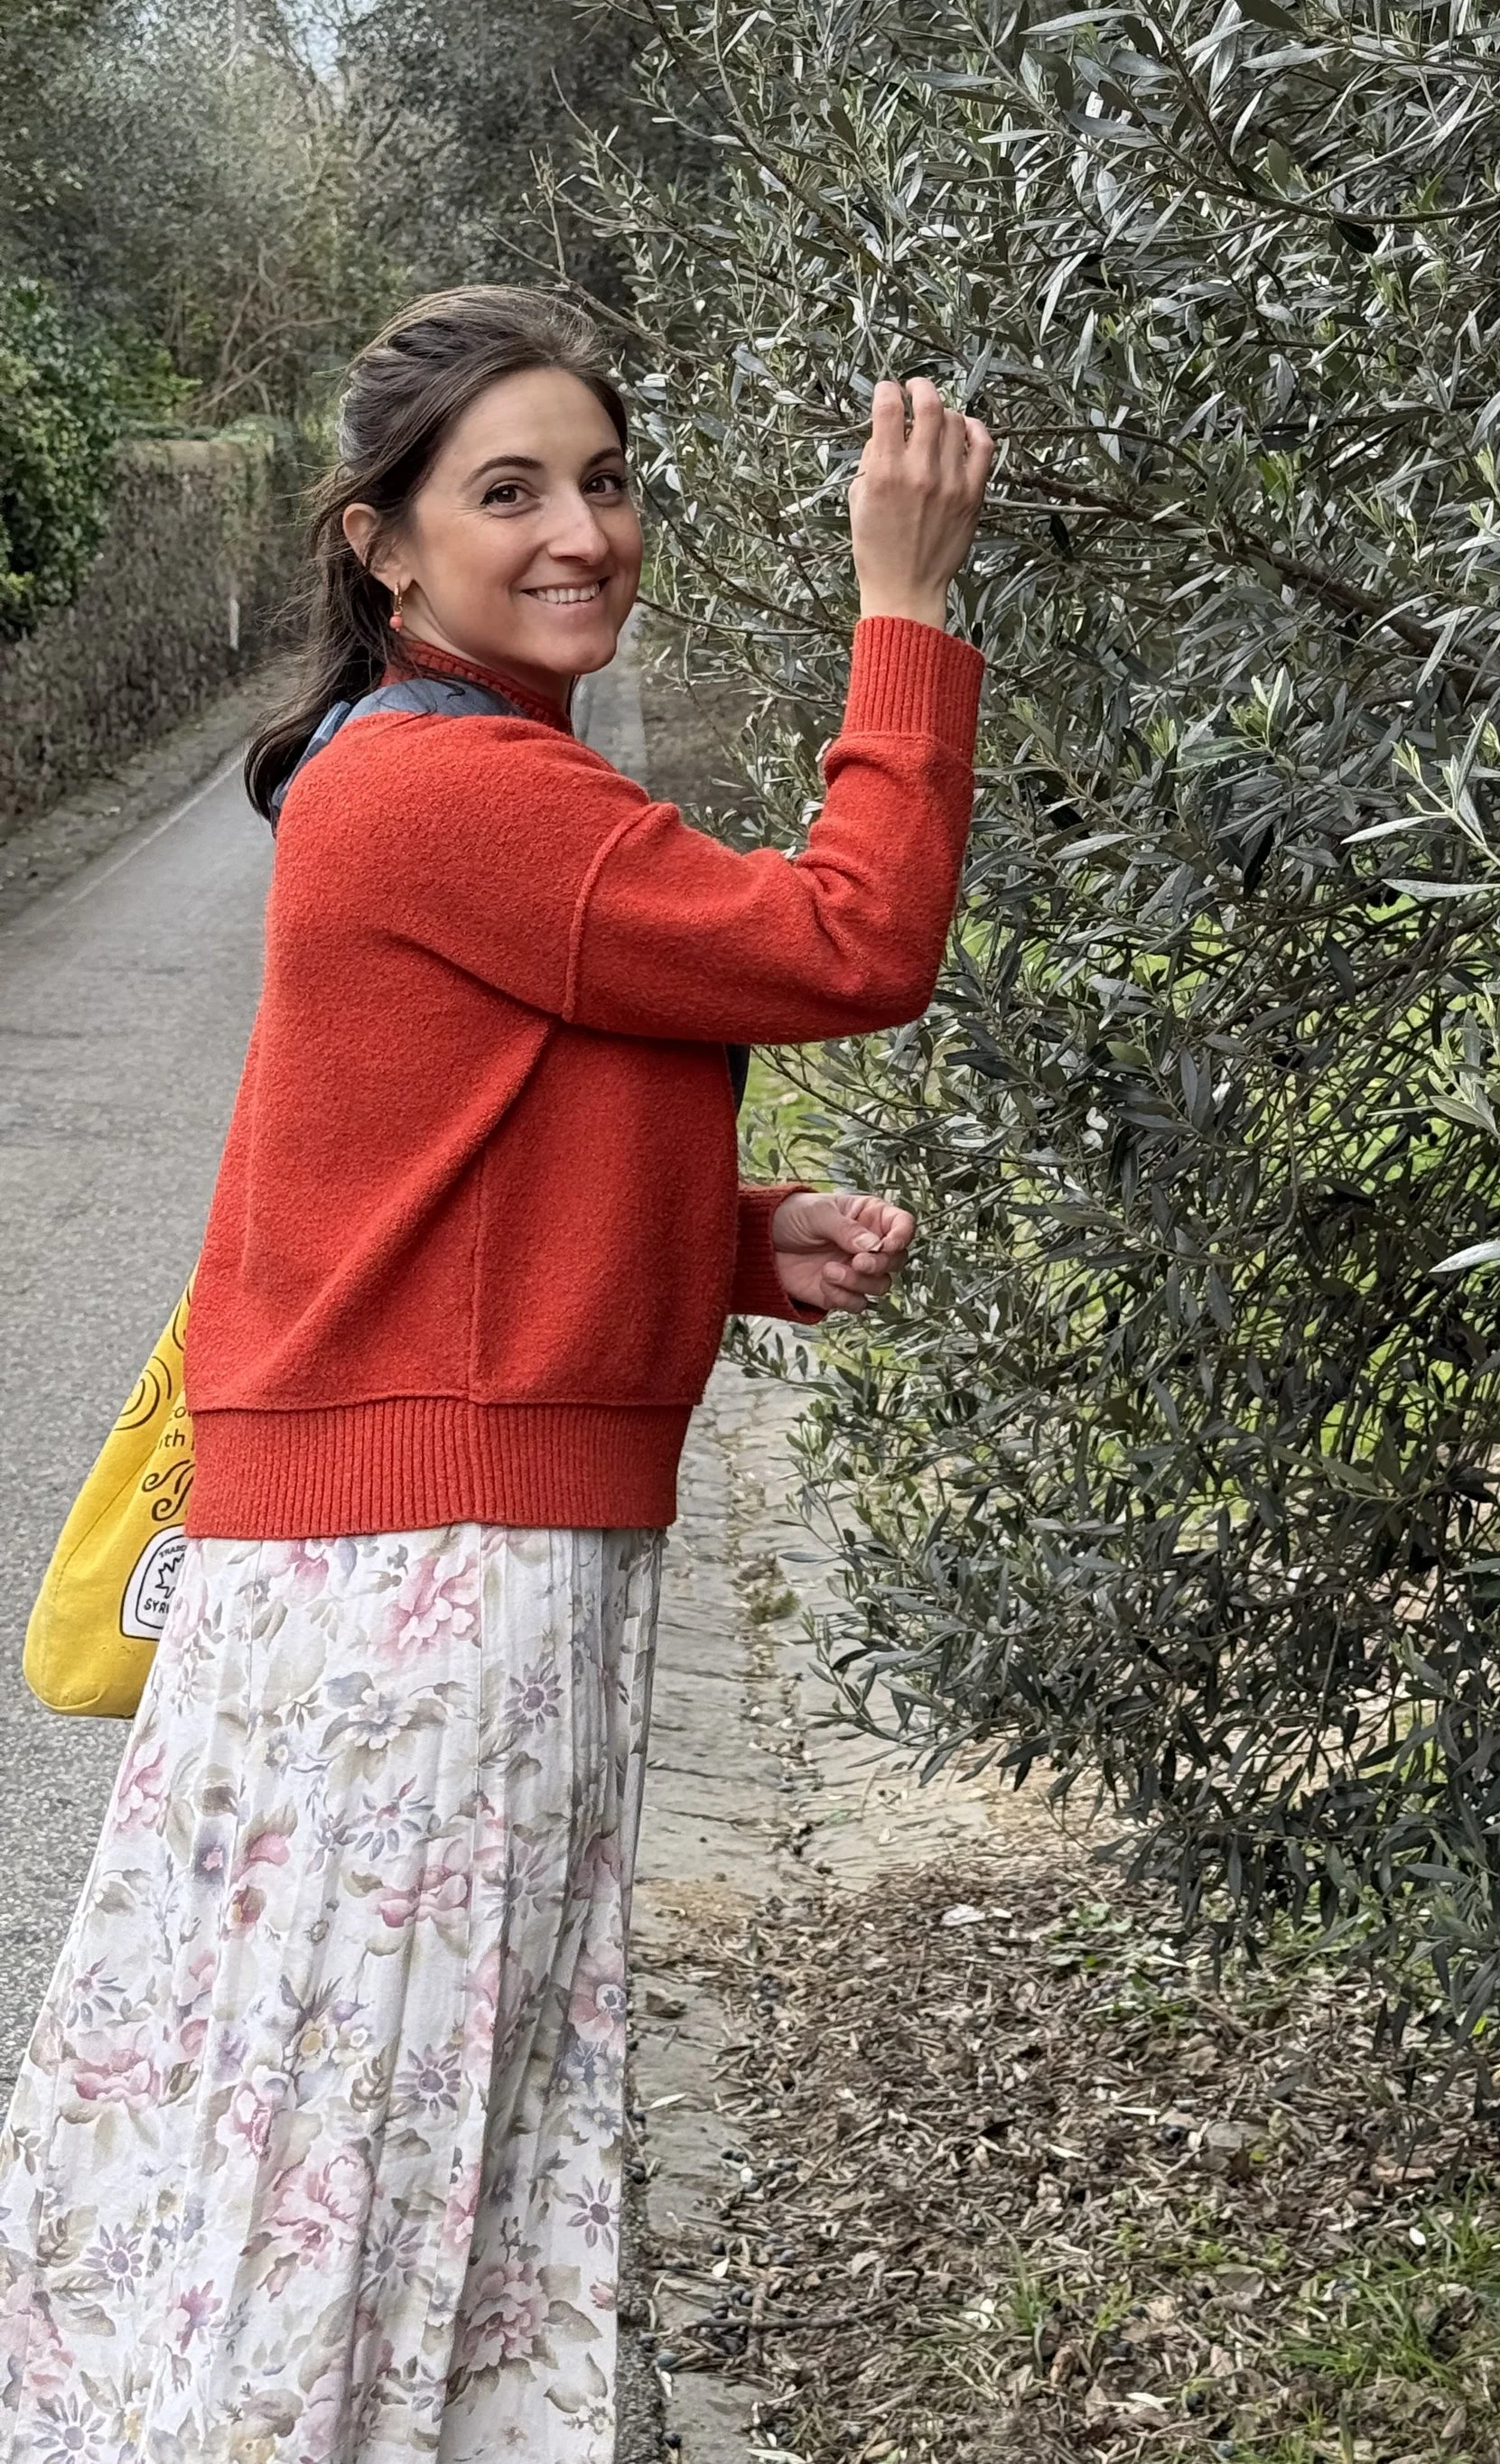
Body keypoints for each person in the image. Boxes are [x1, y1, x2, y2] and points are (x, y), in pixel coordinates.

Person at [0, 284, 992, 2460]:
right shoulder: (453, 791)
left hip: (405, 1568)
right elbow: (849, 939)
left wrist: (723, 1243)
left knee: (360, 2123)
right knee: (372, 2144)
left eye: (604, 481)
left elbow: (424, 1166)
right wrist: (904, 610)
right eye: (511, 490)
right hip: (431, 1584)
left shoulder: (443, 775)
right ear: (383, 544)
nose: (581, 532)